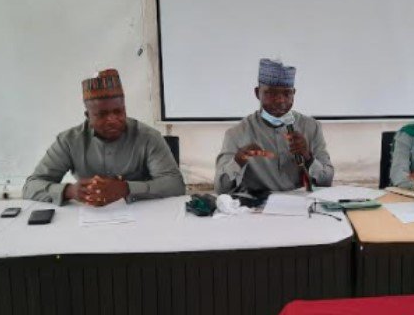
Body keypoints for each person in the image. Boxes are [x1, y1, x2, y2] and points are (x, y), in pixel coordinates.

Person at [23, 69, 185, 205]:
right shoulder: (69, 141)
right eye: (102, 114)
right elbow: (30, 187)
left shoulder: (149, 137)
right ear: (88, 115)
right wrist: (69, 191)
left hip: (141, 214)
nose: (112, 120)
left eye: (118, 111)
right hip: (87, 216)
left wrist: (126, 188)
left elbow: (175, 185)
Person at [214, 58, 334, 193]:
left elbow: (327, 181)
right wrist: (238, 161)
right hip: (257, 209)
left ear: (294, 94)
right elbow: (220, 188)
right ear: (257, 93)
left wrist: (308, 157)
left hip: (300, 206)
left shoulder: (311, 127)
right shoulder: (237, 133)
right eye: (271, 93)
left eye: (286, 93)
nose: (280, 100)